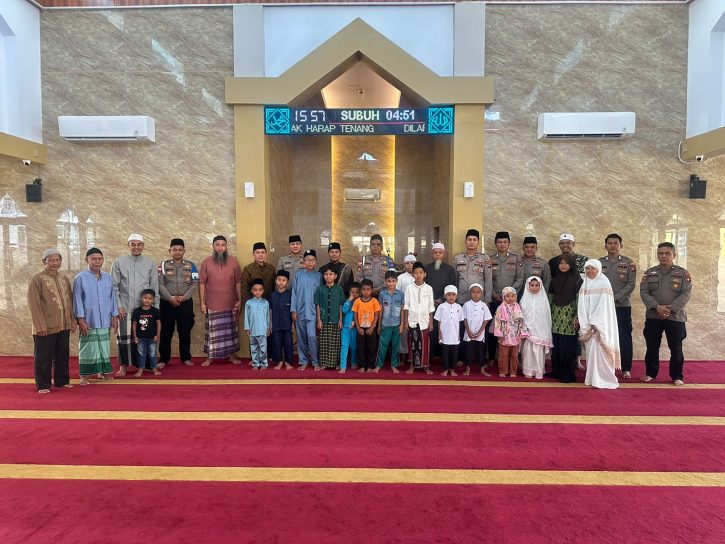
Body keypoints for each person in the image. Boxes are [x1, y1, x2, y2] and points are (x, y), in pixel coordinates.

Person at [640, 242, 692, 386]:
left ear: (674, 255)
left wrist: (670, 309)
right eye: (661, 253)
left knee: (676, 348)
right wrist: (657, 307)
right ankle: (650, 373)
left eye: (667, 253)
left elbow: (686, 293)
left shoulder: (683, 273)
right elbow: (644, 292)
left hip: (675, 317)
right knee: (652, 346)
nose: (664, 256)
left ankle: (677, 376)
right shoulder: (649, 273)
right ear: (657, 255)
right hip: (653, 316)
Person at [27, 248, 76, 394]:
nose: (55, 263)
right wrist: (40, 326)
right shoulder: (37, 279)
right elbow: (33, 304)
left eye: (57, 260)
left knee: (62, 355)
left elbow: (70, 301)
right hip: (45, 326)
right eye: (51, 260)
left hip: (64, 324)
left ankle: (62, 381)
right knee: (43, 357)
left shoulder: (63, 278)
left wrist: (72, 320)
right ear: (44, 262)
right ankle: (43, 385)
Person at [111, 233, 158, 377]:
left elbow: (154, 287)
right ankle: (123, 366)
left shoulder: (150, 263)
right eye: (133, 244)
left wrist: (155, 310)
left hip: (145, 309)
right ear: (128, 245)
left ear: (143, 246)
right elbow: (114, 287)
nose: (136, 247)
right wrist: (118, 306)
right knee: (124, 338)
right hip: (124, 308)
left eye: (139, 244)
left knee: (145, 338)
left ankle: (145, 365)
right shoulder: (118, 262)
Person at [73, 248, 119, 385]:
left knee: (103, 347)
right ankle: (84, 376)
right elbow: (77, 300)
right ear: (87, 260)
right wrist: (80, 320)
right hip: (88, 320)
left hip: (105, 319)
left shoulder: (108, 278)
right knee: (88, 348)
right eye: (93, 259)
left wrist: (114, 316)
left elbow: (112, 298)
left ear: (102, 260)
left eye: (99, 259)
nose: (97, 261)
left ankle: (102, 372)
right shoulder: (80, 278)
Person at [199, 235, 243, 366]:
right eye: (217, 245)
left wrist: (240, 299)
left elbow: (238, 282)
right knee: (212, 333)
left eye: (223, 245)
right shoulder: (206, 262)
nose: (220, 247)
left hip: (230, 302)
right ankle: (210, 358)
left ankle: (232, 357)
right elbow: (202, 283)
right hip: (212, 303)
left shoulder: (234, 261)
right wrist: (202, 303)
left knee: (230, 332)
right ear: (213, 246)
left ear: (226, 246)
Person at [599, 234, 636, 379]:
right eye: (610, 243)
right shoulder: (599, 263)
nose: (613, 245)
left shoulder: (628, 263)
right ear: (605, 246)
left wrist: (616, 298)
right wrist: (605, 300)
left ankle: (626, 368)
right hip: (603, 306)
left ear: (621, 246)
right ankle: (606, 365)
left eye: (616, 243)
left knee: (624, 336)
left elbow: (631, 284)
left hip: (622, 306)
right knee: (604, 335)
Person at [578, 260, 620, 389]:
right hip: (588, 325)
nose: (590, 271)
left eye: (593, 268)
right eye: (587, 268)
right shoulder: (584, 283)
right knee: (591, 353)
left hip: (600, 325)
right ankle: (592, 378)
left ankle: (605, 379)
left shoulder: (604, 283)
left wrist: (595, 322)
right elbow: (581, 305)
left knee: (601, 352)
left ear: (598, 269)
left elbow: (604, 305)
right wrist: (585, 322)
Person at [158, 238, 197, 369]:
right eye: (174, 249)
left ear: (184, 251)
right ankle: (164, 358)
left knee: (185, 331)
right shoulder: (162, 265)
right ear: (170, 250)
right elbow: (160, 284)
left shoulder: (192, 266)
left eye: (180, 249)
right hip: (167, 303)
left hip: (185, 303)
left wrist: (184, 297)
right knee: (165, 332)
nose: (177, 252)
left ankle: (186, 357)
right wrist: (170, 298)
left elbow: (195, 283)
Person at [487, 231, 524, 366]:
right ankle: (491, 356)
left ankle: (514, 358)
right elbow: (488, 279)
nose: (502, 244)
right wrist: (493, 294)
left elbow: (520, 279)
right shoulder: (490, 259)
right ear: (495, 244)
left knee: (513, 329)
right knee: (493, 329)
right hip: (496, 299)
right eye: (499, 242)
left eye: (505, 242)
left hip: (511, 302)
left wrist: (510, 295)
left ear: (509, 243)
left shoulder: (516, 259)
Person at [547, 254, 582, 383]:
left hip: (570, 316)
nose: (563, 266)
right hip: (555, 316)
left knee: (567, 346)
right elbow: (550, 298)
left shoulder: (577, 280)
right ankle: (557, 371)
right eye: (561, 263)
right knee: (556, 345)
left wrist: (578, 316)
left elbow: (580, 300)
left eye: (566, 263)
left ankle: (567, 374)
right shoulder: (555, 279)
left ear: (571, 264)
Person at [291, 249, 322, 370]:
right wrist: (293, 310)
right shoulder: (298, 275)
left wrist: (320, 314)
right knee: (301, 337)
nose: (310, 262)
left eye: (312, 260)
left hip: (313, 312)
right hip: (300, 311)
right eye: (307, 260)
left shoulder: (319, 276)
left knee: (312, 337)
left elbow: (321, 295)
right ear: (303, 262)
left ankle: (315, 361)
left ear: (315, 262)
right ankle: (303, 361)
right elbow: (294, 293)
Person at [425, 242, 457, 357]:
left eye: (440, 252)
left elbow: (452, 286)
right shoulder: (426, 268)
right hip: (429, 305)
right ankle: (431, 356)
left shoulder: (450, 269)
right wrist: (431, 300)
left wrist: (441, 299)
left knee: (444, 329)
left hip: (445, 304)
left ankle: (444, 356)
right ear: (432, 254)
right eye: (435, 252)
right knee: (431, 330)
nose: (438, 254)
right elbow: (424, 286)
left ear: (444, 254)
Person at [403, 261, 434, 375]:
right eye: (416, 273)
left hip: (424, 321)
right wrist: (405, 322)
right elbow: (406, 305)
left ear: (425, 274)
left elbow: (431, 306)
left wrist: (431, 322)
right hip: (412, 320)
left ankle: (426, 366)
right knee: (412, 343)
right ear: (413, 275)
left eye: (421, 272)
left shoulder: (429, 288)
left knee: (425, 344)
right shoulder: (409, 288)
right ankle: (412, 365)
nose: (418, 275)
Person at [520, 277, 552, 379]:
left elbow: (546, 317)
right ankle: (528, 371)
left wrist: (544, 330)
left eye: (537, 285)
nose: (534, 287)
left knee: (538, 351)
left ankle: (539, 371)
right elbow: (521, 315)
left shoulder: (543, 300)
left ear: (540, 286)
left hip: (540, 330)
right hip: (528, 330)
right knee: (528, 351)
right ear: (528, 286)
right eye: (532, 285)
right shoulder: (524, 300)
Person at [374, 271, 405, 373]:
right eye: (388, 281)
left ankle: (394, 365)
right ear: (385, 281)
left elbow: (402, 310)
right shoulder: (382, 294)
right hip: (385, 324)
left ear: (396, 281)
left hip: (396, 324)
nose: (391, 283)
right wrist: (379, 325)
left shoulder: (401, 294)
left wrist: (402, 324)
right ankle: (379, 365)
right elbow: (381, 310)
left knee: (396, 346)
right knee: (382, 346)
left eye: (393, 281)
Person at [493, 286, 528, 378]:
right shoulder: (500, 308)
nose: (510, 298)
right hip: (504, 335)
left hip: (515, 335)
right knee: (503, 354)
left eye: (513, 296)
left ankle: (513, 371)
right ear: (503, 297)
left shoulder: (518, 307)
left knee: (514, 355)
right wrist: (499, 334)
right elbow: (497, 322)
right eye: (508, 296)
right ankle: (503, 370)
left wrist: (522, 332)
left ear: (515, 297)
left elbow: (521, 321)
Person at [315, 268, 344, 370]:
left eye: (331, 274)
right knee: (324, 342)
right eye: (326, 274)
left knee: (335, 343)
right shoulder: (320, 289)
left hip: (335, 319)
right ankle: (324, 363)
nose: (328, 276)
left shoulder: (339, 289)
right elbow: (318, 305)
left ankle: (335, 363)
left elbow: (340, 305)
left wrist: (340, 320)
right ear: (323, 276)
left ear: (335, 276)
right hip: (323, 320)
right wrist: (319, 320)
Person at [462, 283, 492, 376]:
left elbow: (486, 319)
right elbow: (464, 319)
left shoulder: (484, 305)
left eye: (478, 292)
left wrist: (480, 332)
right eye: (473, 292)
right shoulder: (466, 305)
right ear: (470, 293)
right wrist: (468, 331)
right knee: (468, 351)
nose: (476, 294)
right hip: (469, 333)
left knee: (480, 351)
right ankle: (468, 368)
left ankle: (482, 369)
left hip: (480, 333)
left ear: (481, 293)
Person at [434, 285, 464, 377]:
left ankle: (452, 369)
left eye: (453, 295)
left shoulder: (459, 307)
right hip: (445, 334)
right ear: (445, 296)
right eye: (449, 294)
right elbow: (439, 321)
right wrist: (439, 333)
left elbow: (460, 322)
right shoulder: (441, 307)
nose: (451, 296)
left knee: (454, 354)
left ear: (456, 296)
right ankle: (446, 369)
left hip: (455, 335)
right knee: (445, 353)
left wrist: (458, 334)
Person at [131, 288, 162, 377]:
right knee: (141, 354)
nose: (147, 300)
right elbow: (134, 324)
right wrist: (135, 337)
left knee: (153, 354)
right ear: (141, 298)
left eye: (150, 298)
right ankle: (140, 369)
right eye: (145, 298)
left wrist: (158, 335)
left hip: (152, 338)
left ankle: (154, 368)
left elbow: (159, 323)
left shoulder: (155, 311)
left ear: (153, 300)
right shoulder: (137, 311)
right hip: (140, 338)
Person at [353, 279, 381, 372]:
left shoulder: (374, 301)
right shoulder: (357, 301)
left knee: (372, 347)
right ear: (360, 290)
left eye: (368, 289)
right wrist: (358, 327)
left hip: (371, 328)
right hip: (360, 328)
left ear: (371, 290)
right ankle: (361, 365)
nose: (366, 291)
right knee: (360, 347)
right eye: (363, 289)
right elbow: (355, 315)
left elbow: (376, 315)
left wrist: (372, 327)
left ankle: (370, 366)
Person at [244, 278, 271, 370]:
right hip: (252, 330)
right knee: (254, 348)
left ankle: (264, 363)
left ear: (263, 291)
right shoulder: (248, 303)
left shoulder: (266, 303)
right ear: (252, 291)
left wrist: (268, 328)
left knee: (263, 348)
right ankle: (255, 363)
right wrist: (247, 328)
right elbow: (246, 316)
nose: (258, 292)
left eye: (260, 290)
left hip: (263, 330)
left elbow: (267, 316)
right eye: (255, 290)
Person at [270, 270, 293, 370]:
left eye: (284, 280)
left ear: (287, 282)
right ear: (276, 281)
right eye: (279, 280)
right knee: (276, 343)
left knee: (288, 344)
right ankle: (279, 362)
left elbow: (293, 311)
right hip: (275, 324)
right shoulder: (272, 295)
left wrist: (293, 324)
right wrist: (270, 324)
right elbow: (270, 310)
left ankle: (288, 362)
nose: (281, 282)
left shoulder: (290, 295)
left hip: (287, 325)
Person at [395, 254, 417, 366]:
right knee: (403, 332)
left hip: (416, 309)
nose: (410, 265)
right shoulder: (401, 278)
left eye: (412, 263)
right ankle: (403, 355)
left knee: (414, 332)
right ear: (404, 265)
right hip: (404, 308)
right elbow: (397, 294)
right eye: (407, 263)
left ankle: (413, 356)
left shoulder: (419, 276)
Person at [339, 283, 360, 373]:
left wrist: (355, 322)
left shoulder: (360, 302)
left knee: (354, 346)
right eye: (352, 292)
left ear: (359, 293)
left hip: (355, 328)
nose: (354, 294)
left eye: (356, 292)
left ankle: (354, 362)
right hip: (346, 327)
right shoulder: (347, 301)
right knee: (344, 346)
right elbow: (344, 310)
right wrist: (349, 301)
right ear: (349, 292)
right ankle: (343, 366)